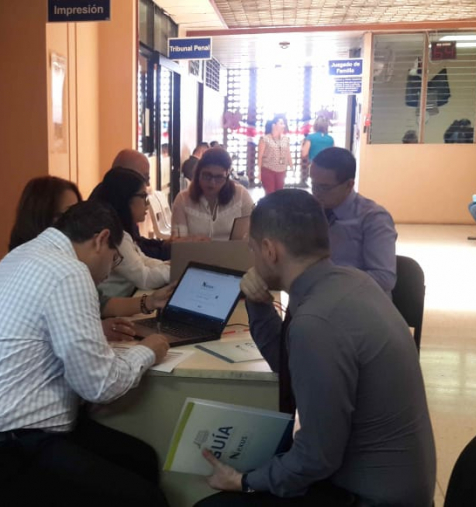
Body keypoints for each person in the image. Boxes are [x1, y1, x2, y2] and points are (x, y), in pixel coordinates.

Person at [196, 190, 436, 507]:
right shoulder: (353, 281)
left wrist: (244, 482)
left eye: (252, 249)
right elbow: (288, 366)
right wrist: (258, 303)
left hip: (369, 497)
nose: (252, 259)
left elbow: (316, 458)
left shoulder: (316, 322)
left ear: (269, 250)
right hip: (394, 482)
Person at [0, 201, 170, 507]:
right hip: (5, 451)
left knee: (140, 459)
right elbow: (99, 385)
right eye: (114, 259)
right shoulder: (70, 272)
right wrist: (147, 351)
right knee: (146, 498)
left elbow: (33, 331)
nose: (109, 272)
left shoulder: (22, 254)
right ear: (101, 239)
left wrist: (94, 330)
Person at [9, 175, 173, 340]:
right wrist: (147, 350)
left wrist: (150, 301)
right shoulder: (54, 270)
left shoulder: (24, 256)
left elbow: (100, 303)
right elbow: (81, 347)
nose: (78, 221)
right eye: (68, 216)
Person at [311, 147, 397, 293]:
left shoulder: (373, 218)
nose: (316, 193)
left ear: (349, 185)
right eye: (313, 185)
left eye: (324, 188)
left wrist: (329, 281)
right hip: (317, 295)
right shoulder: (312, 211)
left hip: (357, 299)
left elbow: (384, 279)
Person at [91, 168, 170, 298]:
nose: (147, 203)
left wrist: (167, 265)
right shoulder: (114, 236)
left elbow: (142, 260)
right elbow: (145, 279)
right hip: (116, 305)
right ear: (125, 198)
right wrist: (173, 269)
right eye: (143, 196)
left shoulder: (122, 231)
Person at [172, 147, 255, 241]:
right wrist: (191, 240)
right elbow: (176, 242)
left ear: (227, 176)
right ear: (198, 173)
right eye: (207, 176)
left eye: (219, 177)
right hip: (195, 250)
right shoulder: (183, 200)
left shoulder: (241, 196)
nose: (212, 183)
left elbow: (254, 235)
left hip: (234, 251)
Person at [258, 115, 294, 194]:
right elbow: (260, 156)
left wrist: (292, 167)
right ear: (274, 125)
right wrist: (259, 172)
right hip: (268, 169)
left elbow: (288, 153)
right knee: (270, 193)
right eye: (281, 123)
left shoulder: (286, 139)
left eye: (284, 124)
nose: (283, 126)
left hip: (282, 170)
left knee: (279, 194)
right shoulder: (264, 139)